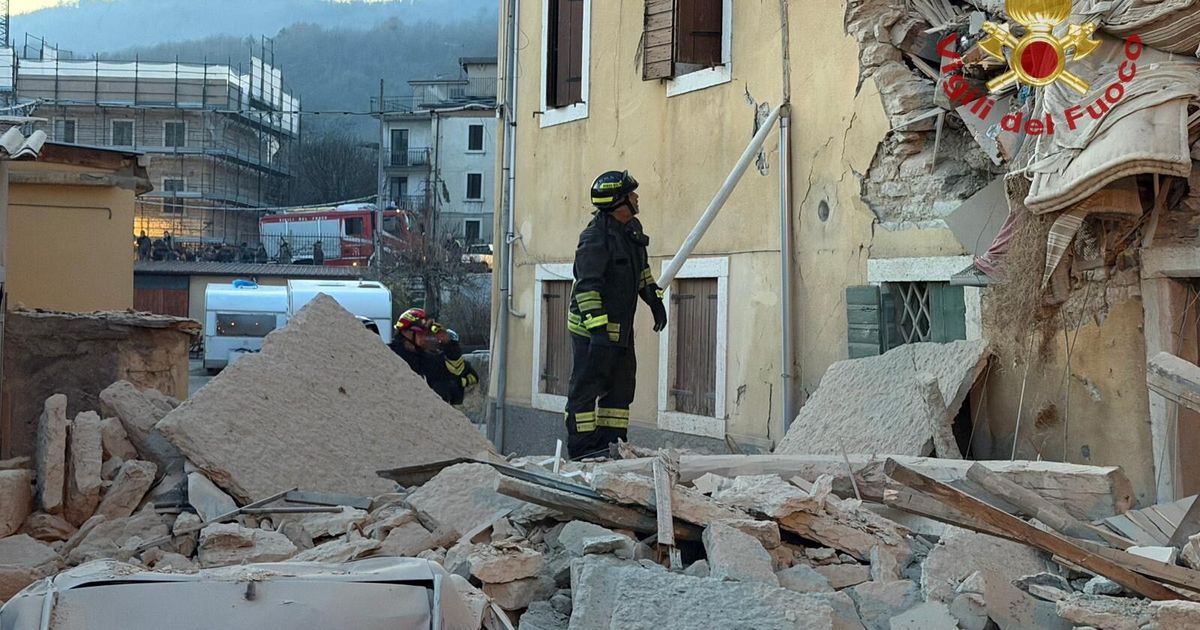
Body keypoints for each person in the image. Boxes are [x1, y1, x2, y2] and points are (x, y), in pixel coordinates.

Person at [563, 170, 667, 459]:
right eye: (631, 194)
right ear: (617, 203)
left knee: (620, 389)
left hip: (620, 328)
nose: (636, 197)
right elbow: (587, 289)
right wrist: (597, 334)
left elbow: (641, 270)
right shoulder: (594, 239)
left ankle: (612, 446)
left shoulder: (632, 228)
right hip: (591, 333)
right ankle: (583, 451)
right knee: (586, 391)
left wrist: (653, 298)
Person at [388, 307, 478, 405]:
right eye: (421, 333)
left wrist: (448, 344)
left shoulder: (430, 360)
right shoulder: (387, 355)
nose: (426, 337)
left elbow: (460, 371)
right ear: (406, 332)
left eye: (427, 333)